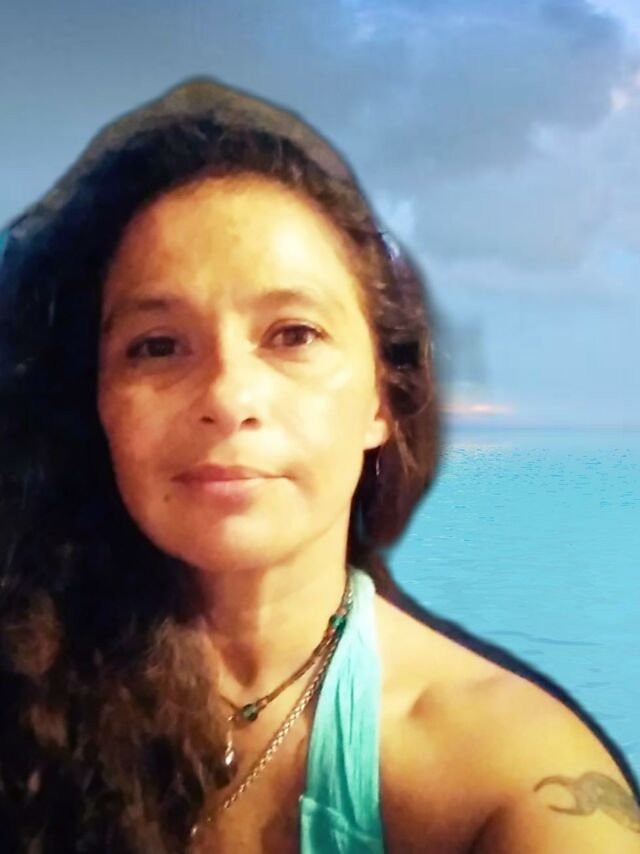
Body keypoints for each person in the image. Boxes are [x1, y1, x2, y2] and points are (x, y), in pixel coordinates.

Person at [0, 77, 638, 854]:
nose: (228, 396)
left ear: (381, 400)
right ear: (93, 399)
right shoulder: (24, 698)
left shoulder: (504, 780)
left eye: (293, 334)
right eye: (157, 345)